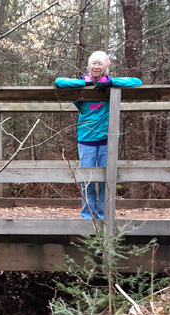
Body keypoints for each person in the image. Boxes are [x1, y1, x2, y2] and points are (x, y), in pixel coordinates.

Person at [54, 51, 142, 220]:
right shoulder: (82, 83)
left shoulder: (110, 83)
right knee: (86, 180)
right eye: (93, 63)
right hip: (86, 139)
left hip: (106, 139)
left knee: (105, 179)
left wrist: (111, 83)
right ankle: (87, 216)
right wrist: (82, 83)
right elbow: (59, 82)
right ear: (89, 66)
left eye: (100, 64)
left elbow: (137, 82)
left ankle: (103, 215)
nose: (96, 67)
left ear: (105, 66)